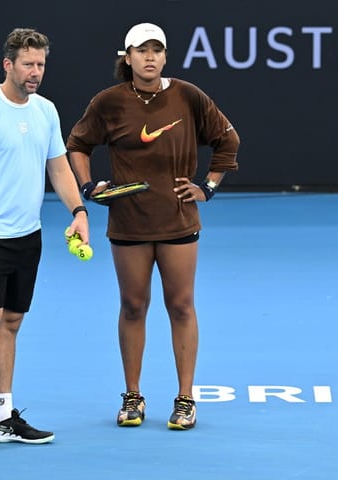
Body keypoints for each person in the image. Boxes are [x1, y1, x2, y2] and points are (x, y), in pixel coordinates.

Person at [66, 22, 240, 430]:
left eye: (156, 50)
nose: (149, 57)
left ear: (164, 56)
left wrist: (208, 188)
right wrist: (90, 186)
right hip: (128, 222)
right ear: (126, 59)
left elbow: (227, 140)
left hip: (179, 219)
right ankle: (132, 397)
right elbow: (77, 144)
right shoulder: (109, 102)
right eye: (140, 51)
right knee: (133, 306)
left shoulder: (188, 95)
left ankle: (185, 399)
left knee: (180, 305)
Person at [0, 27, 89, 449]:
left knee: (11, 322)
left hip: (29, 236)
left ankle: (2, 415)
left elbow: (59, 168)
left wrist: (78, 211)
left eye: (41, 64)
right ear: (8, 65)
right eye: (28, 63)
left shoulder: (45, 111)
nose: (35, 72)